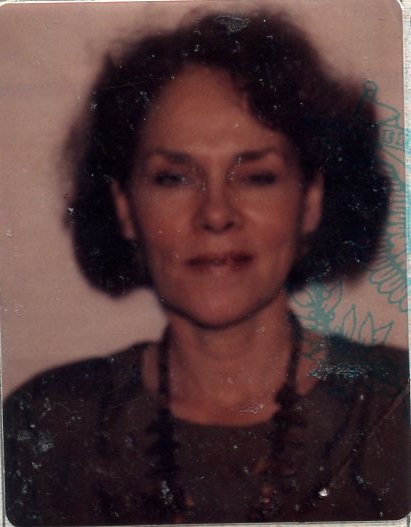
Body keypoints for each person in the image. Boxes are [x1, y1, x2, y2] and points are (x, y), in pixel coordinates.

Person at [4, 9, 410, 525]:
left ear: (310, 201)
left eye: (257, 177)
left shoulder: (396, 407)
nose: (216, 214)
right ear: (125, 208)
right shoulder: (43, 426)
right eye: (173, 178)